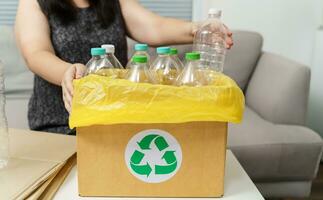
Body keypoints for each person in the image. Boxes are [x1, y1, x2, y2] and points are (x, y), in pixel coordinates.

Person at [15, 0, 233, 135]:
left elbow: (153, 27)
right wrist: (66, 72)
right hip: (60, 121)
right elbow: (35, 52)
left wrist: (197, 29)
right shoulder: (35, 2)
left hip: (113, 117)